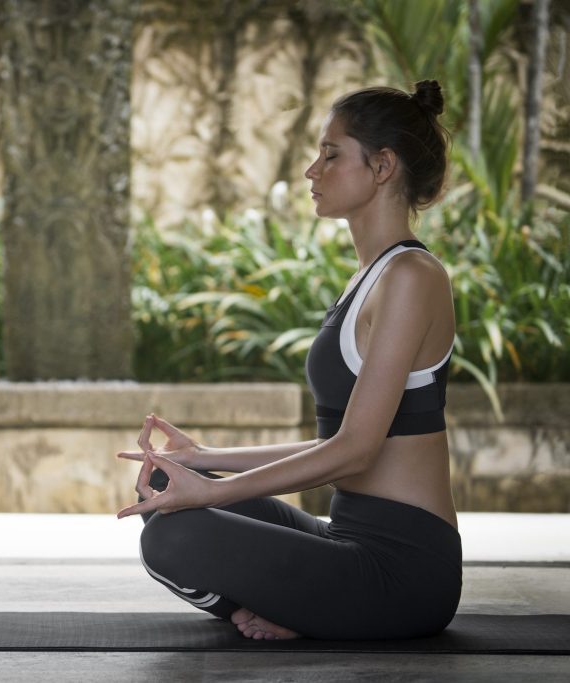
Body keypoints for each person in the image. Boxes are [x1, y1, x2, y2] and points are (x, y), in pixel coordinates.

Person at [116, 80, 461, 641]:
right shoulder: (372, 277)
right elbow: (344, 441)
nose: (311, 171)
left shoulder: (412, 278)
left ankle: (289, 616)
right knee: (161, 490)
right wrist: (207, 460)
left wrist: (215, 489)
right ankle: (292, 613)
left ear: (382, 167)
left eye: (330, 155)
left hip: (403, 570)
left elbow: (355, 452)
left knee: (171, 538)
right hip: (343, 537)